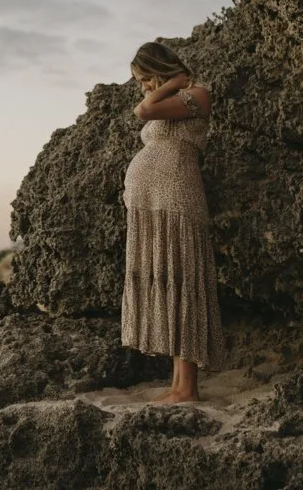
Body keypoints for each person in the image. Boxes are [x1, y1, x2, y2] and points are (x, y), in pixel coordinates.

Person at [121, 41, 226, 403]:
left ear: (158, 70)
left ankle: (189, 388)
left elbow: (143, 111)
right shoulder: (172, 99)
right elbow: (147, 109)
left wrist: (171, 83)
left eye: (144, 79)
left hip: (178, 195)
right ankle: (177, 384)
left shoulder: (196, 93)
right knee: (166, 282)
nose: (144, 87)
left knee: (183, 280)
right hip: (151, 200)